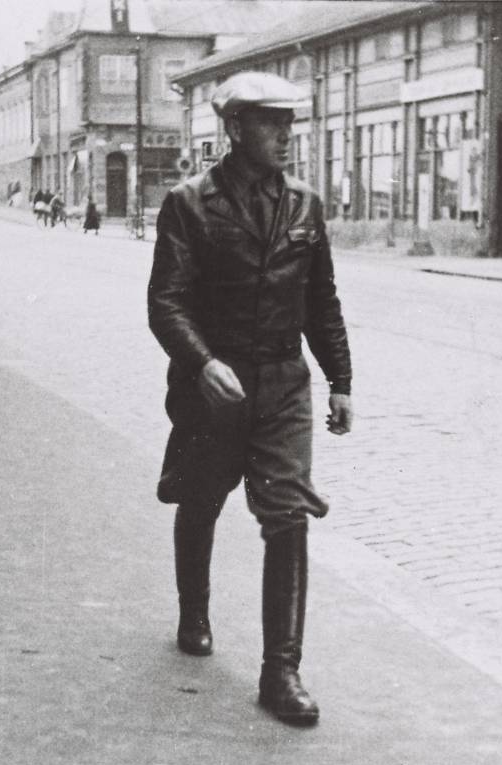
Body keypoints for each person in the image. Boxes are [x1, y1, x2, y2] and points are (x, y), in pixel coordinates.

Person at [147, 71, 353, 727]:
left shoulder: (305, 206)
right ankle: (194, 609)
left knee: (288, 515)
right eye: (271, 122)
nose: (285, 135)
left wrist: (341, 380)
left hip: (283, 383)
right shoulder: (190, 204)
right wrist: (202, 363)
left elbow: (321, 301)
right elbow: (166, 302)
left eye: (290, 123)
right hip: (216, 385)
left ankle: (280, 673)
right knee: (202, 497)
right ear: (235, 128)